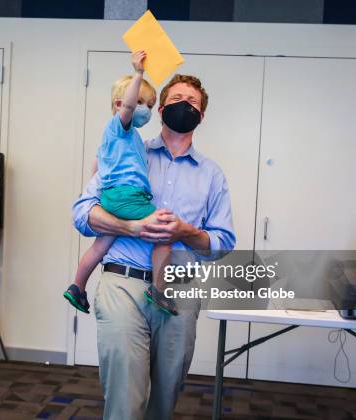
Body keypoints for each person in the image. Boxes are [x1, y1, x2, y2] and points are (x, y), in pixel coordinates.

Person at [72, 74, 236, 419]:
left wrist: (186, 231)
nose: (184, 106)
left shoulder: (212, 175)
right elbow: (83, 214)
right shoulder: (126, 152)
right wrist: (131, 226)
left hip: (179, 289)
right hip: (122, 283)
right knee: (125, 399)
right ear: (160, 109)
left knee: (165, 395)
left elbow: (221, 243)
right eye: (176, 99)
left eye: (192, 102)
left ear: (201, 116)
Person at [64, 51, 177, 316]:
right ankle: (159, 291)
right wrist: (138, 73)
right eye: (140, 102)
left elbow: (97, 168)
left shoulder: (123, 139)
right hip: (128, 197)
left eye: (150, 105)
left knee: (101, 246)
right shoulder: (119, 127)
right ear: (119, 104)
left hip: (114, 197)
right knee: (165, 233)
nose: (145, 110)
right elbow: (127, 109)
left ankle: (77, 286)